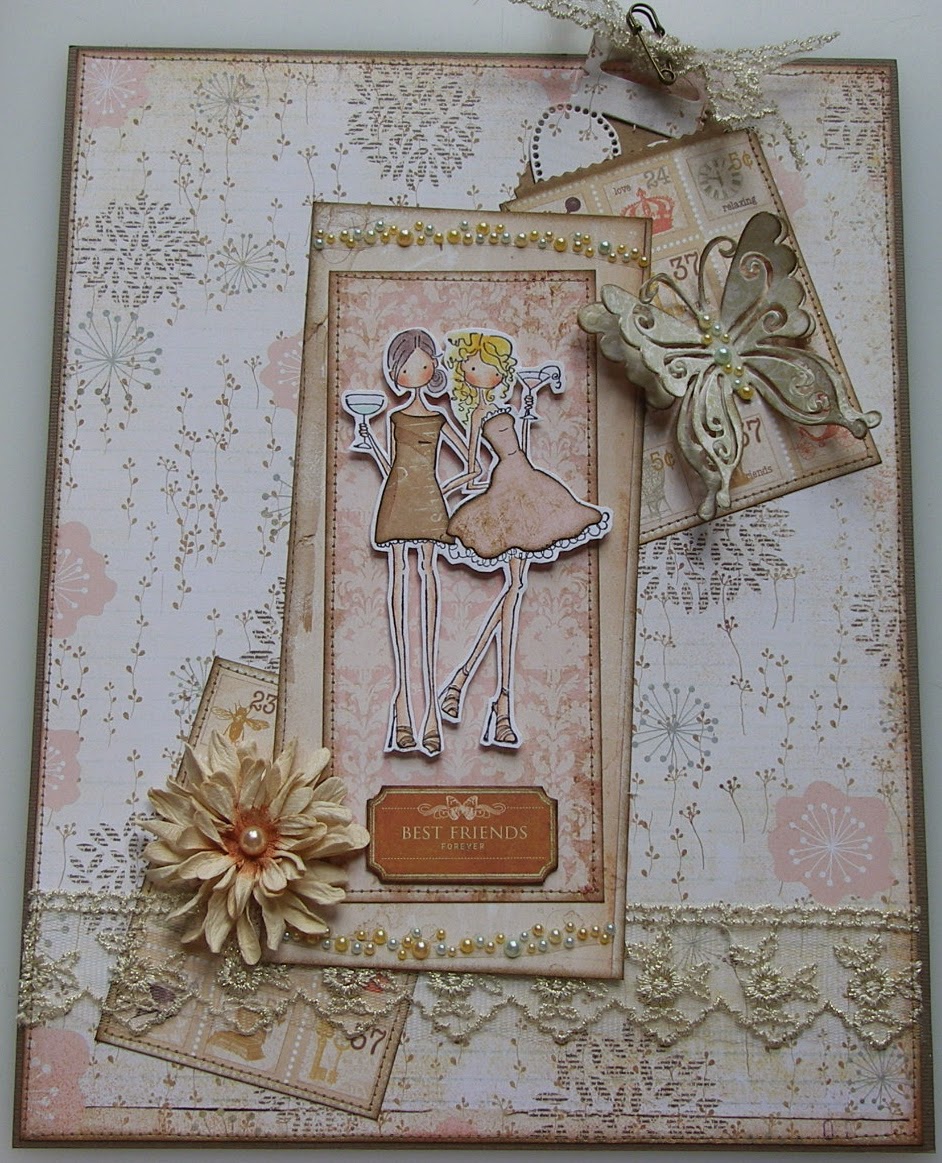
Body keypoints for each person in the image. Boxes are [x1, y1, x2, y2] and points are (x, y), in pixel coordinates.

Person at [440, 330, 610, 748]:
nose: (484, 372)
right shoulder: (477, 415)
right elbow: (473, 469)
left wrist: (532, 400)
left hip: (531, 483)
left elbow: (522, 440)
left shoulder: (509, 405)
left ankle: (465, 683)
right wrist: (448, 492)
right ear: (464, 374)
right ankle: (497, 703)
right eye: (474, 366)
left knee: (515, 588)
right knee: (514, 589)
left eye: (491, 366)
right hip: (505, 490)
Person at [355, 327, 478, 757]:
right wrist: (370, 445)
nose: (414, 372)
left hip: (428, 504)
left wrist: (443, 492)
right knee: (398, 582)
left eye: (422, 364)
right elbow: (392, 466)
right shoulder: (393, 419)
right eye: (405, 367)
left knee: (427, 578)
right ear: (396, 373)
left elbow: (473, 467)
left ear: (432, 368)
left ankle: (428, 719)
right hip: (396, 499)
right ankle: (403, 708)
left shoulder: (440, 418)